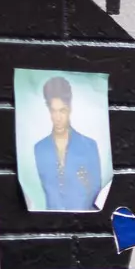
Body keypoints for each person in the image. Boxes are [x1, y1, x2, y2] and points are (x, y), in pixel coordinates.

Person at [31, 75, 102, 211]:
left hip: (84, 220)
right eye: (53, 111)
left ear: (70, 108)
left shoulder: (89, 146)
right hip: (50, 221)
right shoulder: (40, 148)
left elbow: (95, 190)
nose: (57, 118)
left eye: (62, 111)